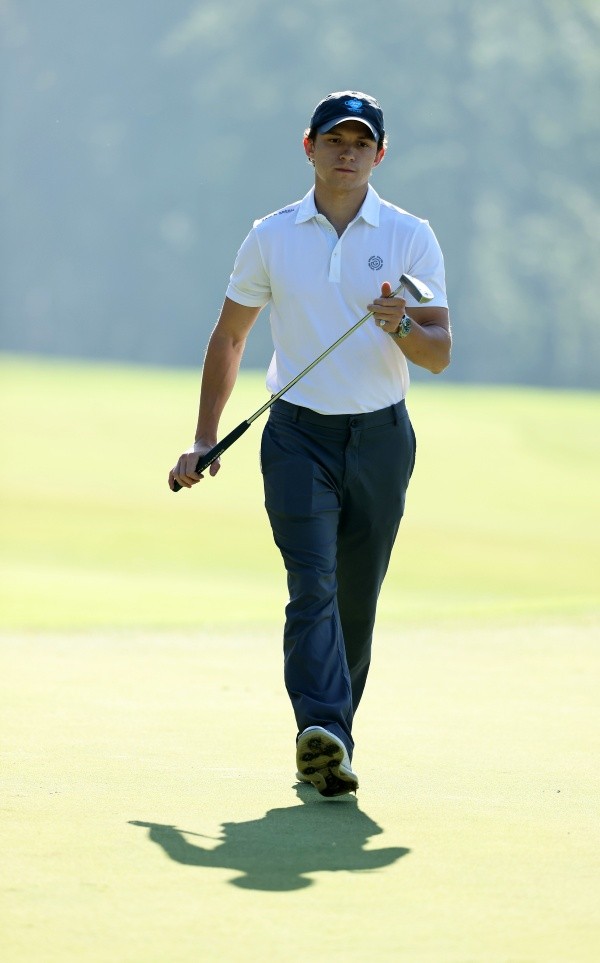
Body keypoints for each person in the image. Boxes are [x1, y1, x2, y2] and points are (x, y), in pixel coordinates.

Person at [169, 91, 451, 797]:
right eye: (335, 140)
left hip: (383, 439)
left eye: (361, 143)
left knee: (356, 598)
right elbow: (231, 336)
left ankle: (334, 740)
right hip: (296, 435)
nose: (347, 153)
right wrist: (205, 435)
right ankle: (319, 727)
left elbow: (440, 351)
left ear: (379, 155)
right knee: (312, 584)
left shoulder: (411, 235)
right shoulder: (271, 234)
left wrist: (400, 328)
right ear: (309, 147)